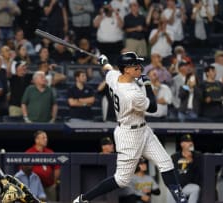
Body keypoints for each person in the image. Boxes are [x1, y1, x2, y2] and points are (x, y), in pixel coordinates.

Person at [73, 52, 187, 203]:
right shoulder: (131, 94)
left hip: (143, 130)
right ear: (126, 69)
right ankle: (84, 199)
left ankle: (180, 198)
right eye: (135, 65)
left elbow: (108, 70)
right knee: (121, 180)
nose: (140, 67)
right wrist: (147, 83)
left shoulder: (115, 77)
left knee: (165, 162)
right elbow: (153, 107)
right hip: (129, 135)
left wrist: (104, 61)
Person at [26, 130, 60, 201]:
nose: (46, 140)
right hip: (34, 187)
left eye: (46, 138)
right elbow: (24, 171)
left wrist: (54, 183)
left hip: (49, 187)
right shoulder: (29, 152)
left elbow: (57, 168)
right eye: (43, 138)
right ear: (37, 140)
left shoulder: (50, 152)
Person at [168, 134, 202, 203]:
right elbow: (171, 171)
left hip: (188, 186)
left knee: (196, 188)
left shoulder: (197, 156)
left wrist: (192, 160)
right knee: (170, 190)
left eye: (191, 141)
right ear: (182, 144)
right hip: (176, 186)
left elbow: (199, 173)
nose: (190, 143)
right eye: (187, 142)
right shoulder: (175, 156)